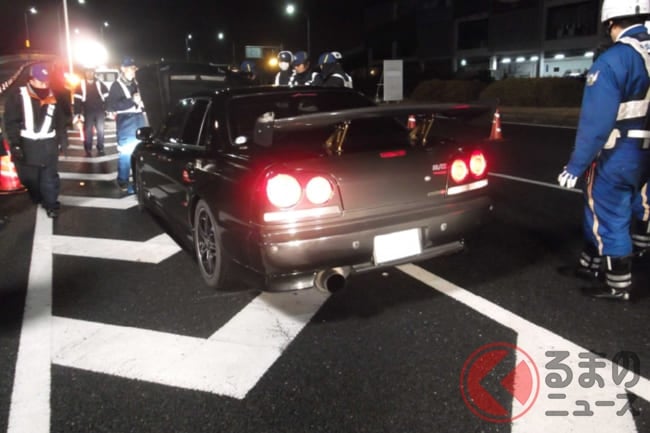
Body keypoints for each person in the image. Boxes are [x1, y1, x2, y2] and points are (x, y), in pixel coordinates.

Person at [557, 0, 650, 301]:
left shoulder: (614, 60)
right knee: (638, 204)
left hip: (620, 150)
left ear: (611, 22)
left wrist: (576, 166)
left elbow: (596, 123)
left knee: (607, 211)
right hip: (646, 152)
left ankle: (617, 284)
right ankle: (593, 263)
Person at [3, 63, 68, 218]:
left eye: (46, 81)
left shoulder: (55, 96)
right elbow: (10, 121)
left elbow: (61, 121)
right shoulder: (18, 95)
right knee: (29, 178)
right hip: (27, 145)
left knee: (49, 177)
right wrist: (15, 144)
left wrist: (63, 140)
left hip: (48, 143)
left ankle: (51, 205)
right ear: (31, 80)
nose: (44, 85)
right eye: (40, 81)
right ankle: (37, 196)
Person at [106, 56, 147, 194]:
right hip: (125, 121)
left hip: (139, 119)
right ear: (123, 69)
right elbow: (112, 105)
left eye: (134, 68)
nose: (133, 70)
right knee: (126, 152)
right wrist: (132, 100)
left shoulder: (136, 83)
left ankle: (137, 180)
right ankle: (122, 180)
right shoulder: (116, 85)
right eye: (130, 68)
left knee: (139, 151)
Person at [73, 68, 109, 157]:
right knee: (88, 130)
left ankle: (100, 147)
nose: (89, 74)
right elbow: (77, 99)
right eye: (87, 72)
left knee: (101, 130)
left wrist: (107, 109)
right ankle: (88, 148)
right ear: (85, 73)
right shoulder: (81, 84)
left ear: (94, 73)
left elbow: (106, 95)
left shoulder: (99, 83)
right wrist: (78, 113)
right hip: (87, 110)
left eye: (91, 72)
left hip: (99, 109)